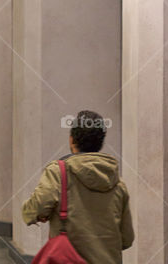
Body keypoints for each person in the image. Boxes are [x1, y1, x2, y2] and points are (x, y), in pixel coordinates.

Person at [22, 110, 135, 264]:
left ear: (72, 139)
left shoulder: (58, 173)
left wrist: (38, 214)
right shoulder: (118, 183)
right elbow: (127, 239)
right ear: (101, 142)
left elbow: (35, 209)